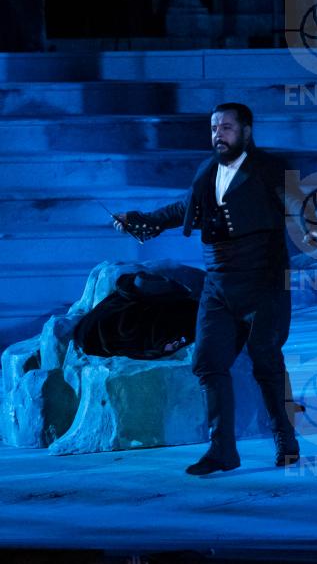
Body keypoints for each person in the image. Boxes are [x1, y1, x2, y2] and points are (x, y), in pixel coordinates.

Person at [114, 102, 300, 475]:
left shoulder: (272, 168)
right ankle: (222, 450)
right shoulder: (207, 170)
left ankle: (286, 439)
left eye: (227, 127)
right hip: (218, 284)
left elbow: (299, 208)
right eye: (214, 128)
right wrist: (144, 221)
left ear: (246, 131)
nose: (219, 134)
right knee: (208, 363)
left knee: (266, 362)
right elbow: (184, 208)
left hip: (262, 282)